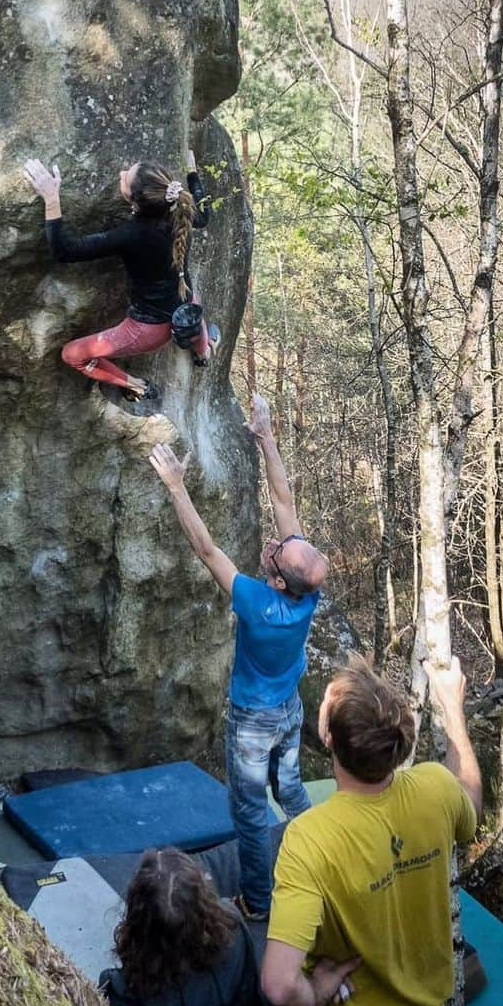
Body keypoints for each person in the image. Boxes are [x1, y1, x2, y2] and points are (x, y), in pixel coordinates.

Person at [149, 394, 328, 922]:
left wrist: (177, 487)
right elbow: (285, 501)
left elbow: (206, 549)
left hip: (253, 720)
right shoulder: (306, 592)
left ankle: (259, 901)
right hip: (288, 710)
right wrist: (267, 438)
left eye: (276, 551)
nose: (276, 541)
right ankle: (315, 853)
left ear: (276, 578)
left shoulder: (256, 602)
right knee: (290, 787)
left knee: (250, 813)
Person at [261, 654, 481, 1006]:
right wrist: (453, 711)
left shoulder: (309, 839)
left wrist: (313, 991)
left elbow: (279, 985)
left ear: (328, 738)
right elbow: (469, 802)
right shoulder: (435, 788)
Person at [22, 145, 217, 407]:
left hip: (149, 330)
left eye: (126, 177)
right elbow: (204, 214)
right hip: (189, 306)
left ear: (135, 201)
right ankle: (204, 352)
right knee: (194, 323)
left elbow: (64, 251)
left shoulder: (131, 234)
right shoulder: (181, 214)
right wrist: (192, 173)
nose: (121, 173)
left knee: (72, 354)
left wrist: (52, 198)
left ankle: (135, 385)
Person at [99, 846, 262, 1006]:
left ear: (138, 918)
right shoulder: (234, 926)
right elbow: (251, 990)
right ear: (203, 902)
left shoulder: (121, 990)